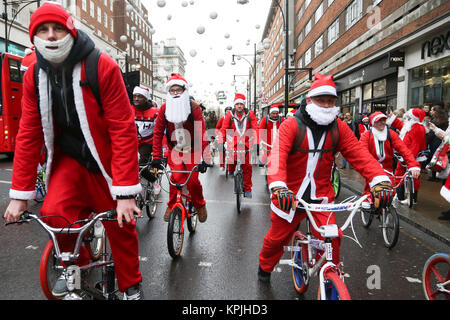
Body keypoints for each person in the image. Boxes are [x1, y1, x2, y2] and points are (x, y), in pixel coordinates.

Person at [3, 2, 143, 299]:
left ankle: (132, 285)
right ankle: (76, 270)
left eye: (58, 29)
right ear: (34, 36)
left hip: (106, 162)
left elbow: (122, 127)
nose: (51, 36)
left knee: (121, 224)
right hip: (69, 161)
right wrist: (19, 196)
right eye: (43, 30)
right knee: (55, 216)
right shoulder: (32, 76)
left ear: (70, 31)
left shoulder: (102, 65)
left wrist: (126, 194)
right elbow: (28, 133)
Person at [257, 73, 393, 282]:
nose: (327, 105)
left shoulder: (339, 127)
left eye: (331, 101)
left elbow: (360, 156)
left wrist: (380, 181)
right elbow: (277, 157)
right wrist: (278, 187)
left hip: (321, 198)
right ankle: (264, 268)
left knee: (333, 240)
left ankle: (330, 279)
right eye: (322, 100)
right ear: (309, 100)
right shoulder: (291, 125)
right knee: (276, 239)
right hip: (290, 196)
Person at [151, 73, 211, 222]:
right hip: (175, 149)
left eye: (178, 90)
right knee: (176, 178)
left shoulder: (194, 108)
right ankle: (172, 205)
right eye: (172, 90)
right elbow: (157, 133)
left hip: (193, 149)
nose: (176, 93)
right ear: (168, 92)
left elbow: (201, 133)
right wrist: (157, 157)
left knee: (192, 182)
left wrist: (206, 159)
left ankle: (200, 204)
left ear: (185, 90)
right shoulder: (164, 108)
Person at [359, 112, 421, 209]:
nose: (382, 122)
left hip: (387, 167)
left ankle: (385, 212)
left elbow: (404, 150)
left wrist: (413, 165)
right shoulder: (367, 135)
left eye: (383, 120)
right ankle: (367, 198)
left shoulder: (390, 134)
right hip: (371, 166)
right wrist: (367, 166)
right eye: (379, 120)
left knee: (390, 191)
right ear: (373, 122)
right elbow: (362, 152)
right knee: (371, 188)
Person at [220, 93, 258, 198]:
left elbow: (255, 129)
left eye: (241, 104)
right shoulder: (229, 115)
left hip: (246, 144)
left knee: (247, 167)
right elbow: (224, 129)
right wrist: (221, 141)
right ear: (235, 105)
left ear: (244, 105)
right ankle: (231, 170)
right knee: (232, 160)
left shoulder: (250, 114)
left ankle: (247, 189)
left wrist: (257, 143)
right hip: (233, 143)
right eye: (237, 104)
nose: (239, 106)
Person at [387, 108, 427, 204]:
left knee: (413, 177)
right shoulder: (412, 125)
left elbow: (415, 145)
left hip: (411, 156)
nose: (407, 117)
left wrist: (408, 158)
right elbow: (402, 127)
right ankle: (400, 196)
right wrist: (392, 117)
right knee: (399, 174)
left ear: (413, 117)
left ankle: (412, 199)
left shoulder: (418, 128)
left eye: (409, 115)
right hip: (405, 155)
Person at [132, 86, 159, 166]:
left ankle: (152, 179)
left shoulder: (155, 112)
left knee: (140, 165)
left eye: (140, 96)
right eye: (135, 96)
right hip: (131, 142)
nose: (136, 99)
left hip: (147, 143)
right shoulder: (129, 109)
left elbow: (158, 131)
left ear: (146, 98)